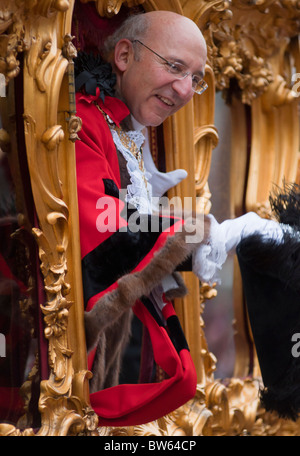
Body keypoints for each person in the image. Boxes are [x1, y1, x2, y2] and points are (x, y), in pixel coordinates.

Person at [74, 10, 285, 426]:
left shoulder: (121, 125)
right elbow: (106, 225)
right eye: (174, 67)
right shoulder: (86, 118)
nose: (186, 89)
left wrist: (221, 236)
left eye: (196, 78)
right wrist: (202, 232)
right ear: (123, 55)